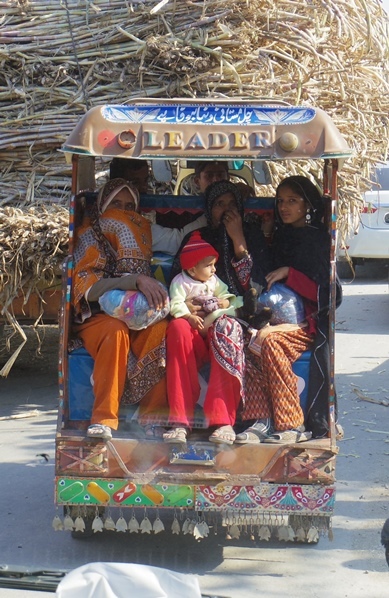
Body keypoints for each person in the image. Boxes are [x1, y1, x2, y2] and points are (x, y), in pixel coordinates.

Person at [163, 180, 271, 445]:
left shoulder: (251, 234)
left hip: (232, 313)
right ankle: (180, 421)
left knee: (228, 329)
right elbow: (179, 281)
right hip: (193, 317)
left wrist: (238, 238)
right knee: (176, 329)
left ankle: (223, 421)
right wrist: (185, 308)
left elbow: (251, 286)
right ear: (209, 209)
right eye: (219, 204)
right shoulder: (195, 238)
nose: (226, 210)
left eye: (232, 204)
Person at [236, 175, 340, 444]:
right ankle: (261, 420)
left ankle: (291, 424)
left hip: (306, 324)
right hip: (273, 319)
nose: (284, 207)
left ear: (308, 206)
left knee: (269, 342)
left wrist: (290, 274)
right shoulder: (282, 237)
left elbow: (330, 294)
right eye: (281, 201)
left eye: (293, 201)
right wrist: (268, 235)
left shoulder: (317, 241)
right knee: (249, 339)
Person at [72, 178, 169, 440]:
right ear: (102, 205)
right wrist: (133, 281)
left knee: (162, 330)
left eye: (129, 206)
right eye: (115, 204)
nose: (122, 211)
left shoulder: (143, 233)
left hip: (137, 316)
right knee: (115, 331)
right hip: (97, 317)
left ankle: (153, 419)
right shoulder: (88, 234)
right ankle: (104, 419)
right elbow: (88, 290)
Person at [169, 230, 244, 335]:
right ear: (192, 270)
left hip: (212, 311)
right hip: (200, 323)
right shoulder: (181, 283)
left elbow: (223, 291)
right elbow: (176, 304)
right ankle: (241, 312)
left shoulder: (213, 279)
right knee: (218, 315)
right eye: (209, 265)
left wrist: (226, 301)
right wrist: (189, 317)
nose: (214, 269)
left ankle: (247, 310)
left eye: (214, 265)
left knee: (239, 300)